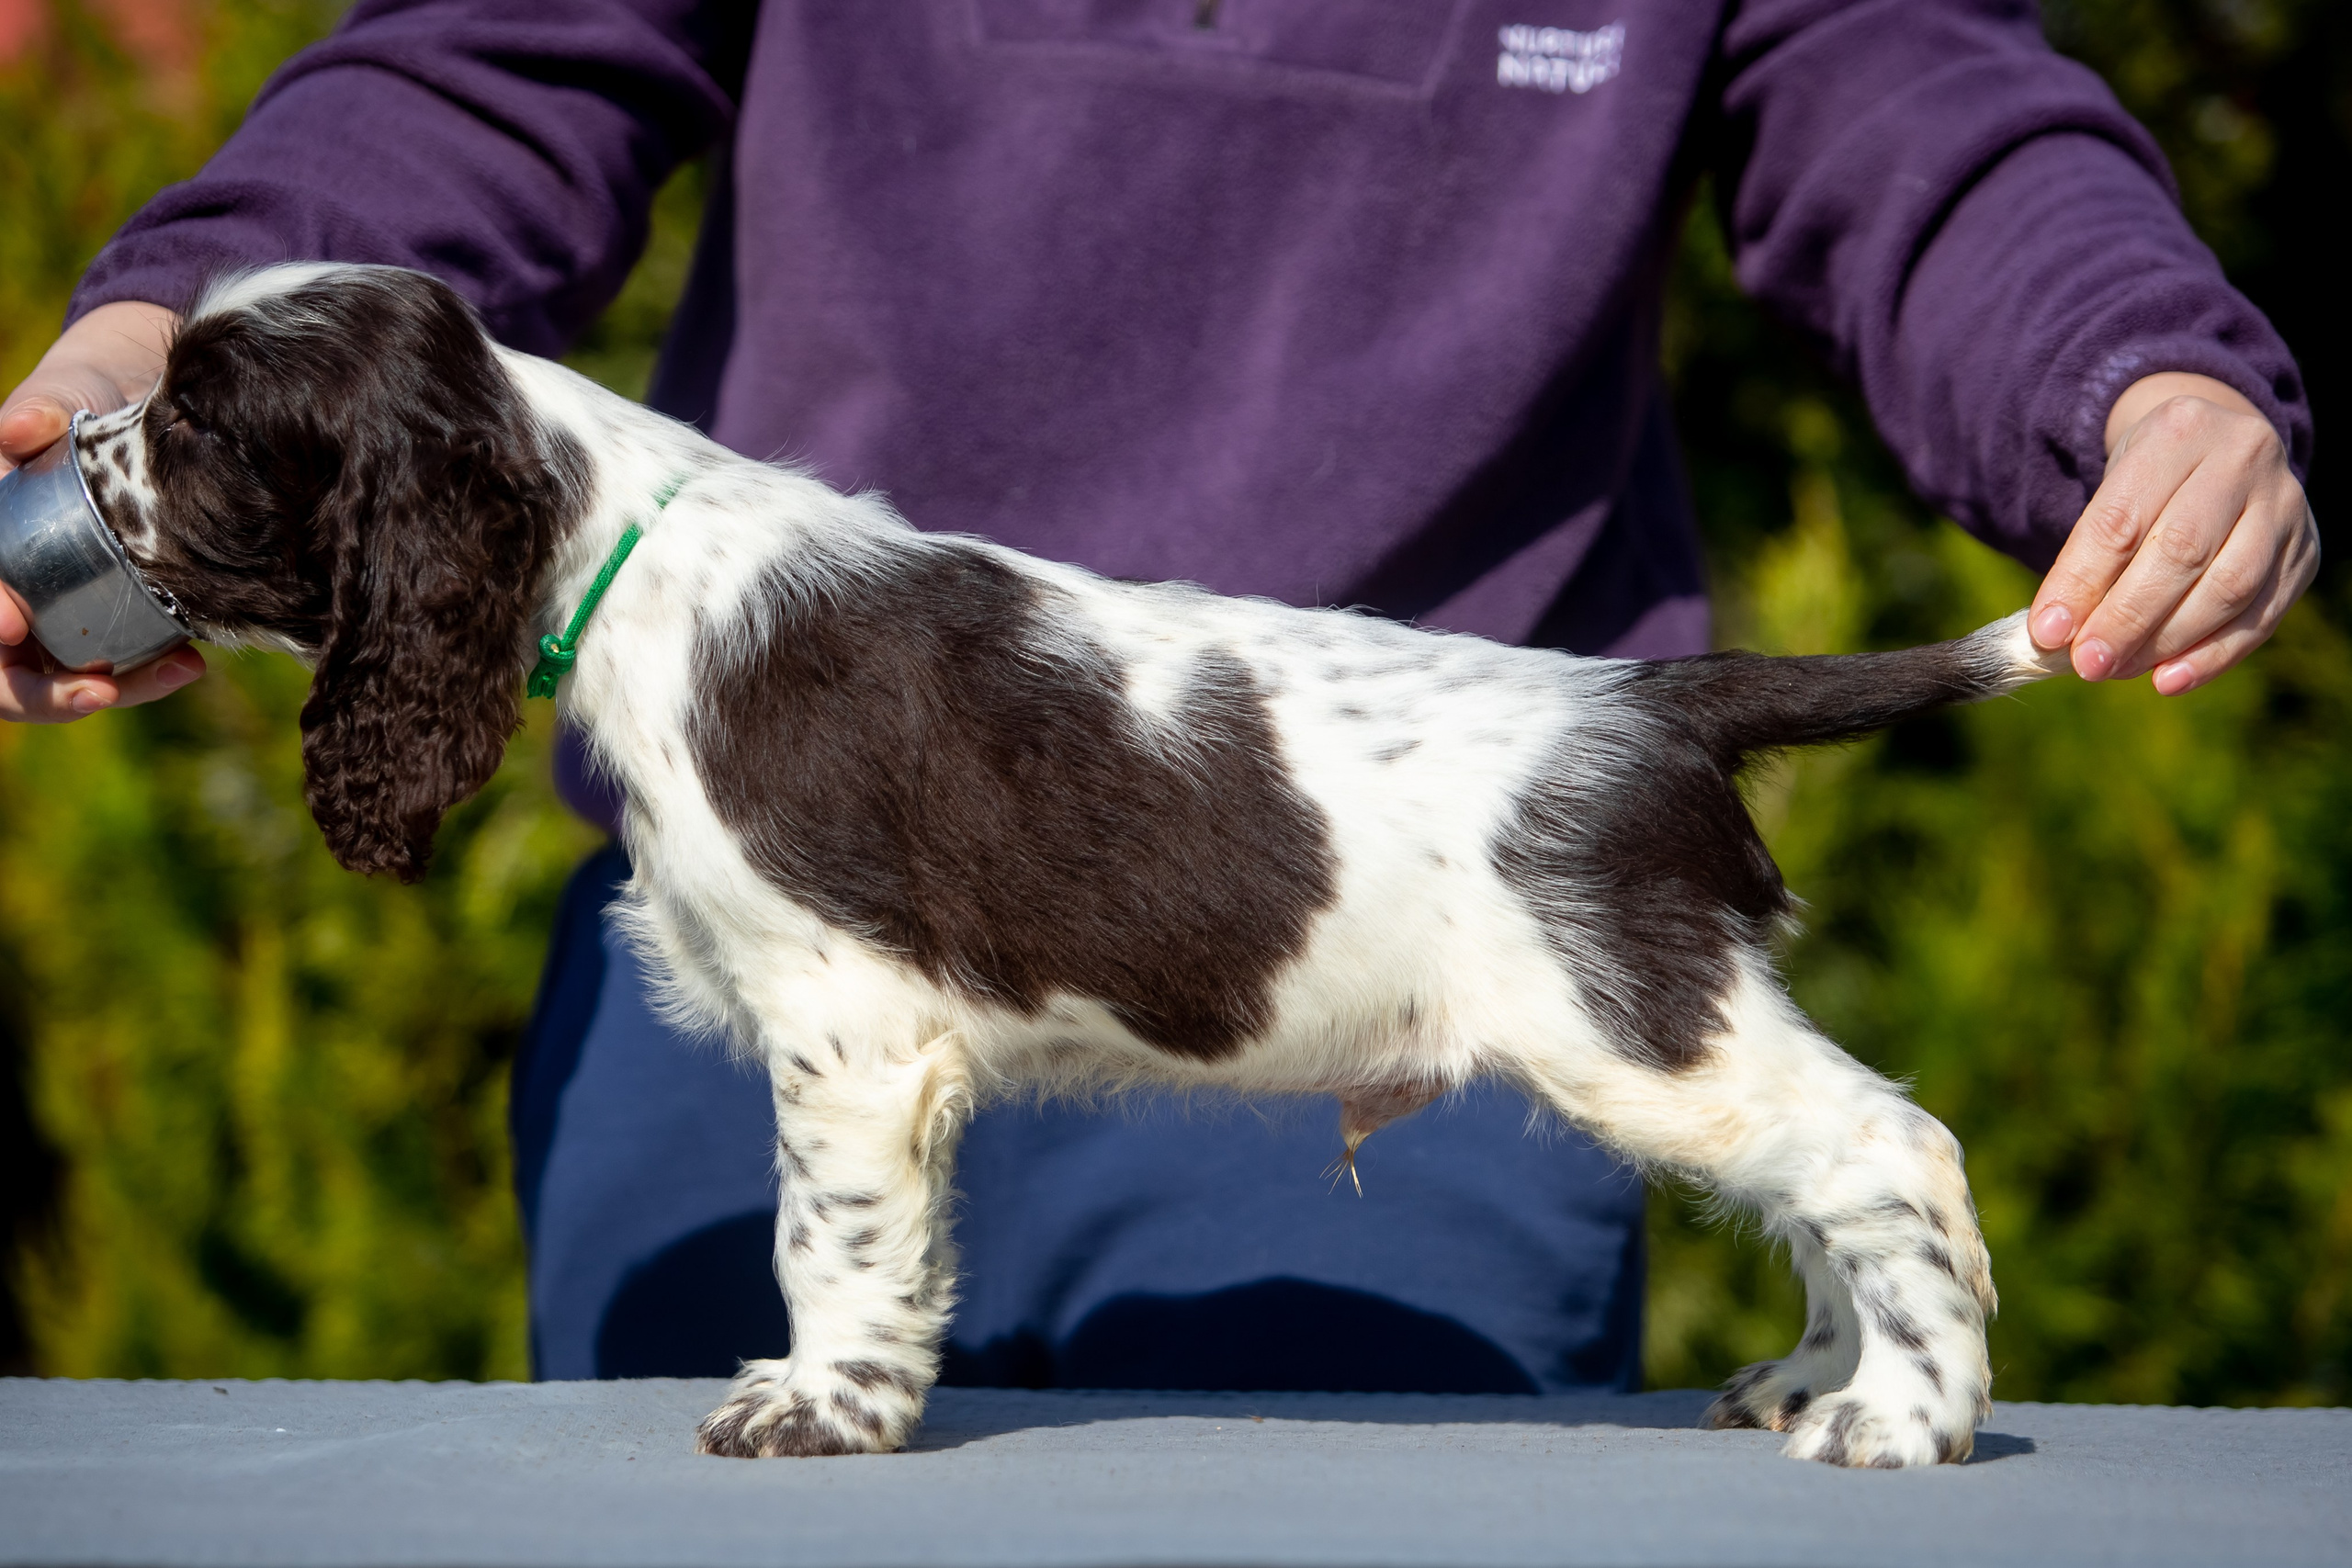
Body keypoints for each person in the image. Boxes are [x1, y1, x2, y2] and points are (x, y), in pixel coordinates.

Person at [0, 0, 2316, 1391]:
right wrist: (180, 354)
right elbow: (486, 58)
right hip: (778, 949)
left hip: (1381, 952)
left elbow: (1907, 93)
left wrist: (2131, 378)